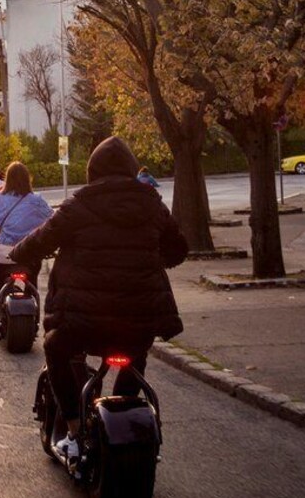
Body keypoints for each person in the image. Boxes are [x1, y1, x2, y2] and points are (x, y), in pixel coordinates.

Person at [10, 136, 188, 458]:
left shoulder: (80, 204)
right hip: (139, 320)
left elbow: (41, 239)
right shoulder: (152, 204)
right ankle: (128, 415)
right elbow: (179, 249)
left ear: (93, 170)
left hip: (83, 322)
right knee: (136, 351)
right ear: (132, 169)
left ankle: (75, 432)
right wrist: (149, 258)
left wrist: (17, 252)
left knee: (55, 346)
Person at [0, 162, 54, 323]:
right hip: (29, 252)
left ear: (7, 180)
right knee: (33, 278)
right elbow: (54, 220)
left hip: (5, 254)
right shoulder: (37, 200)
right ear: (27, 179)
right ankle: (35, 315)